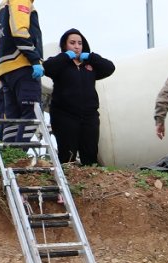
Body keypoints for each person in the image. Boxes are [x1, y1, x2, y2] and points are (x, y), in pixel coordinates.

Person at [42, 28, 114, 165]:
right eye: (72, 43)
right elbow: (47, 67)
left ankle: (89, 183)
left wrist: (91, 57)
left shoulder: (90, 64)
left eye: (79, 43)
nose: (76, 46)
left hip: (89, 116)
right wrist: (65, 56)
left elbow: (110, 68)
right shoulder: (60, 63)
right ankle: (68, 182)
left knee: (90, 155)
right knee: (67, 156)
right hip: (65, 116)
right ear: (65, 45)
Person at [0, 0, 42, 144]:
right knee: (31, 114)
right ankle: (19, 158)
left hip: (6, 68)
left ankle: (10, 157)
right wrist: (34, 58)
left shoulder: (2, 5)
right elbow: (19, 31)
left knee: (13, 117)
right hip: (21, 63)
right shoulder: (20, 1)